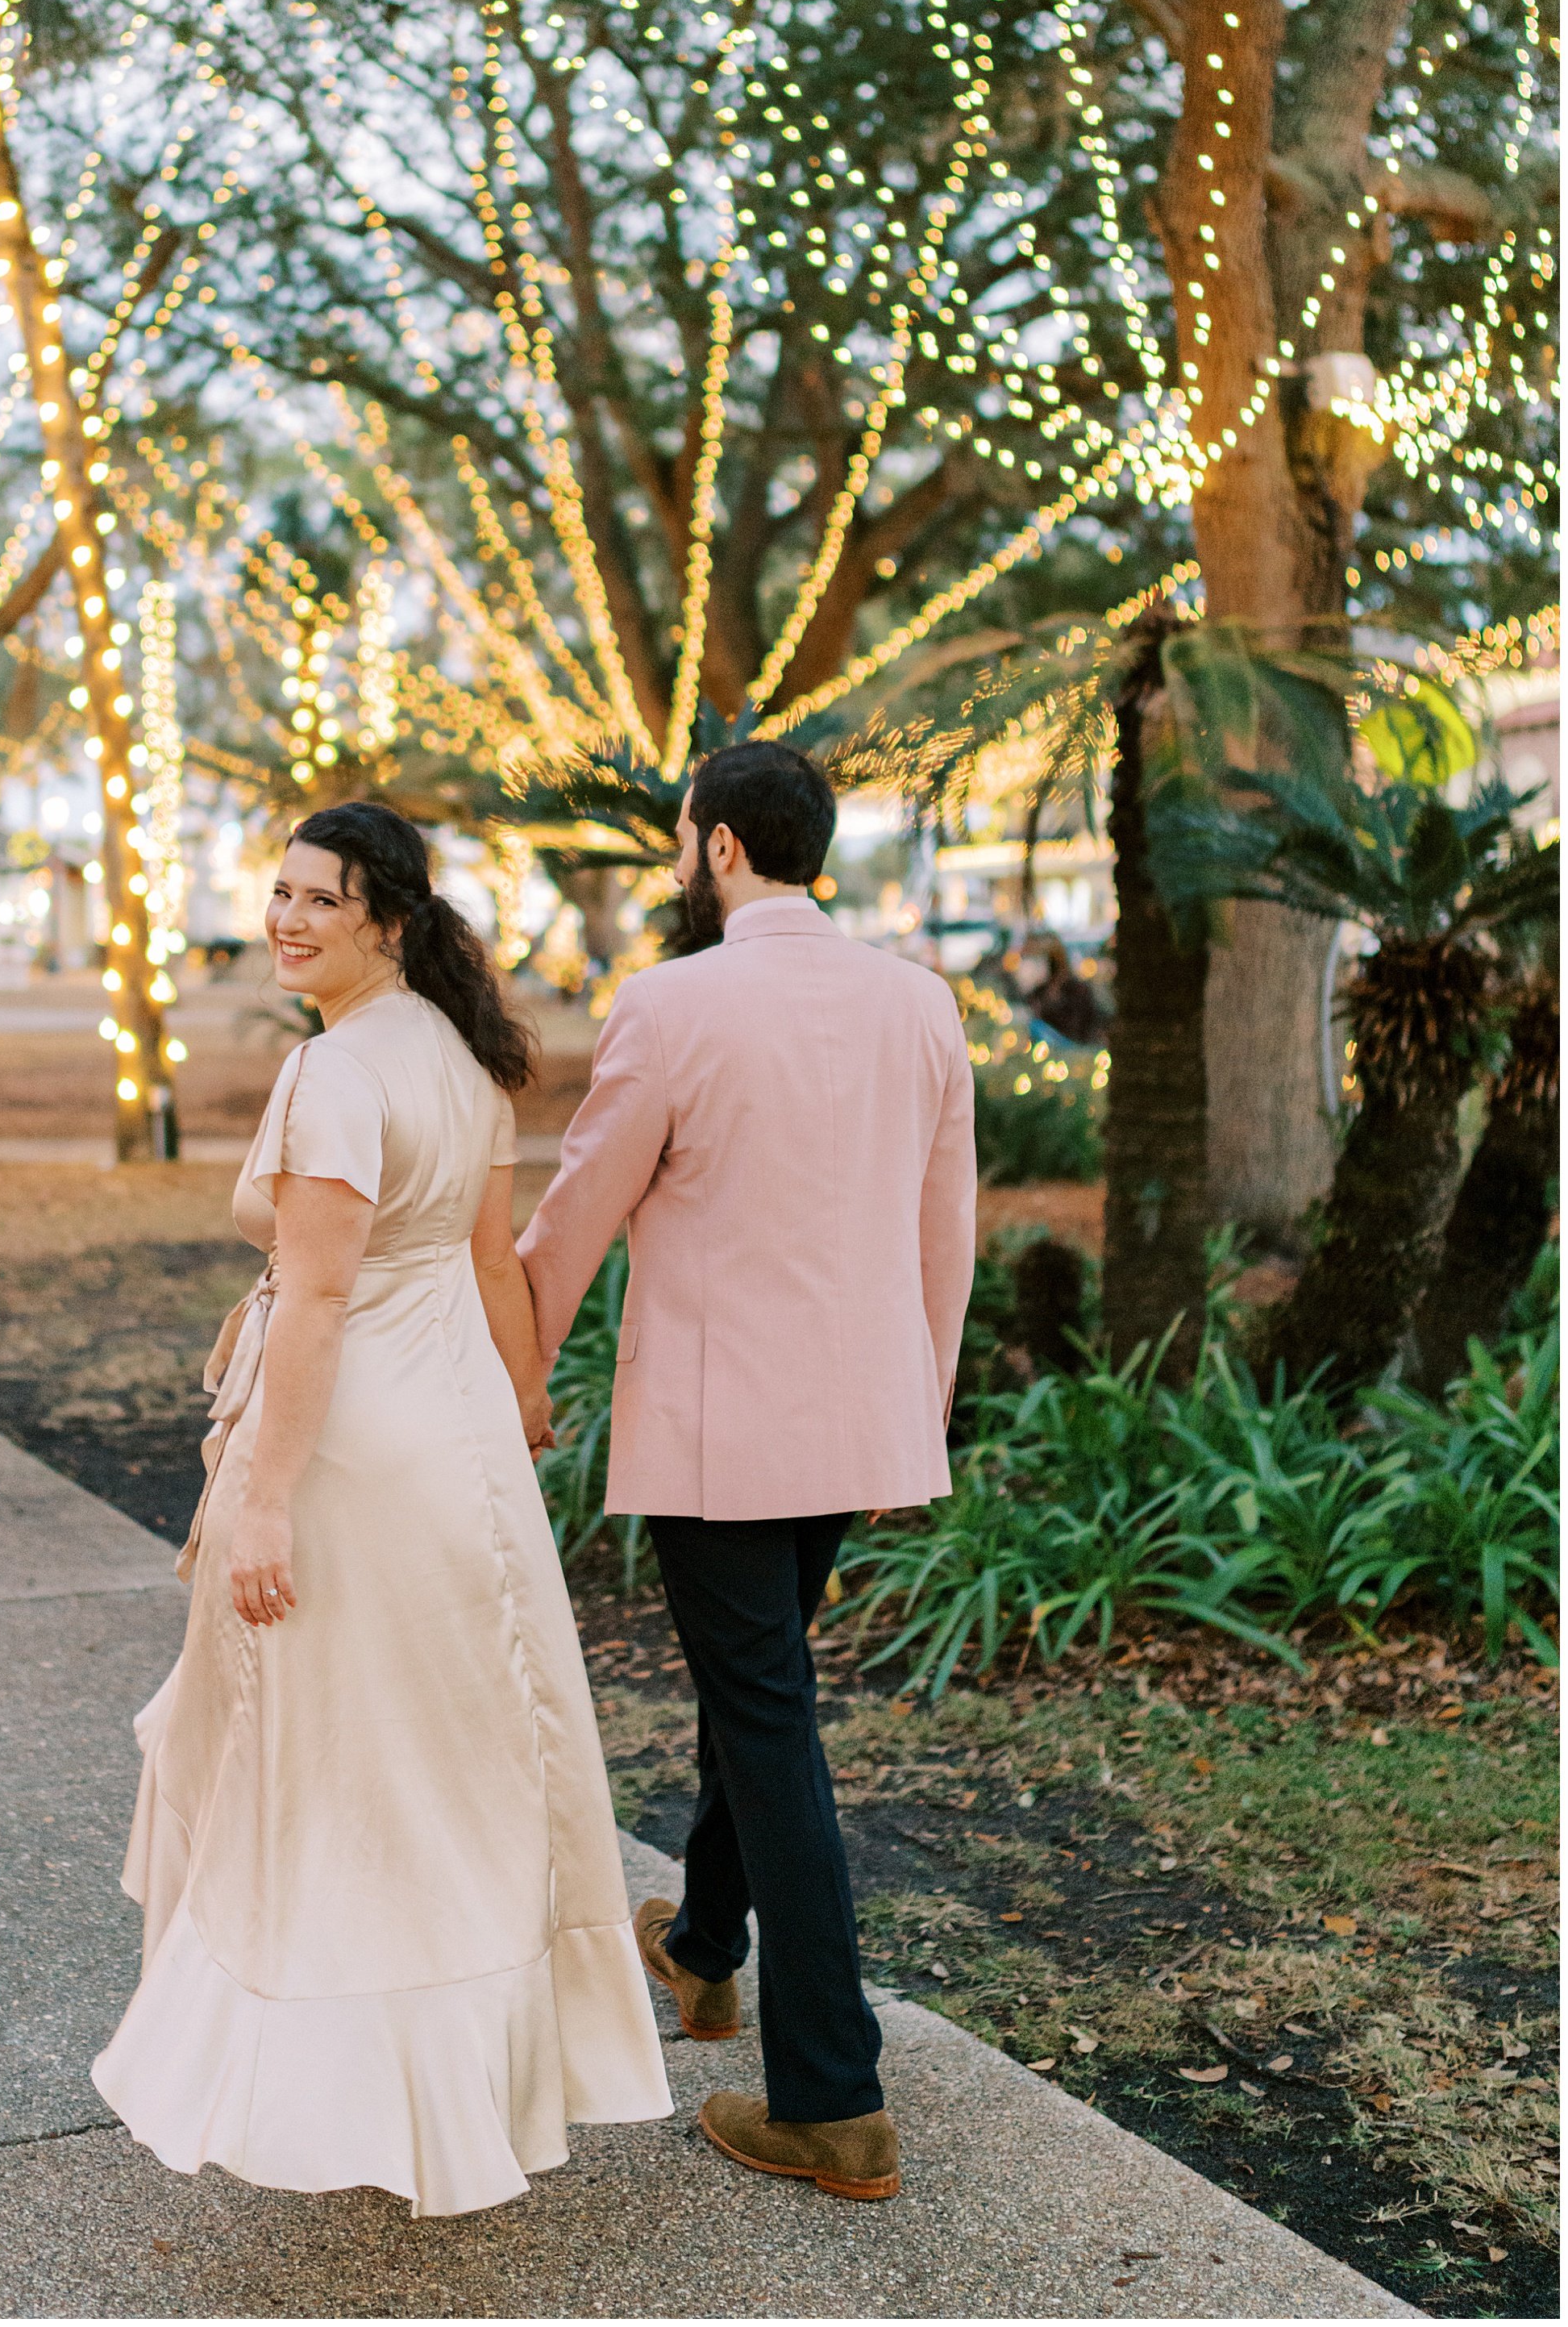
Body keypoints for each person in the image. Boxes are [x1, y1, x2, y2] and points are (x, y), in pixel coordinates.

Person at [92, 802, 670, 2218]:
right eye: (278, 893)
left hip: (354, 1459)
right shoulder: (463, 1061)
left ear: (388, 920)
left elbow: (328, 1299)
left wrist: (268, 1498)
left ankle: (349, 2085)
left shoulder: (338, 1074)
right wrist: (523, 1402)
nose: (288, 918)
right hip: (458, 1450)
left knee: (343, 1782)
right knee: (450, 1769)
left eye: (318, 899)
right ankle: (458, 2084)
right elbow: (492, 1268)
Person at [519, 740, 975, 2203]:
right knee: (759, 1683)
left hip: (721, 1439)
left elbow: (577, 1211)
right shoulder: (921, 1001)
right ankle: (705, 1951)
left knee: (767, 1717)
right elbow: (944, 1228)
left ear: (717, 847)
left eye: (678, 838)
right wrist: (925, 1407)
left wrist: (507, 1363)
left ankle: (835, 2098)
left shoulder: (668, 1003)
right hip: (854, 1423)